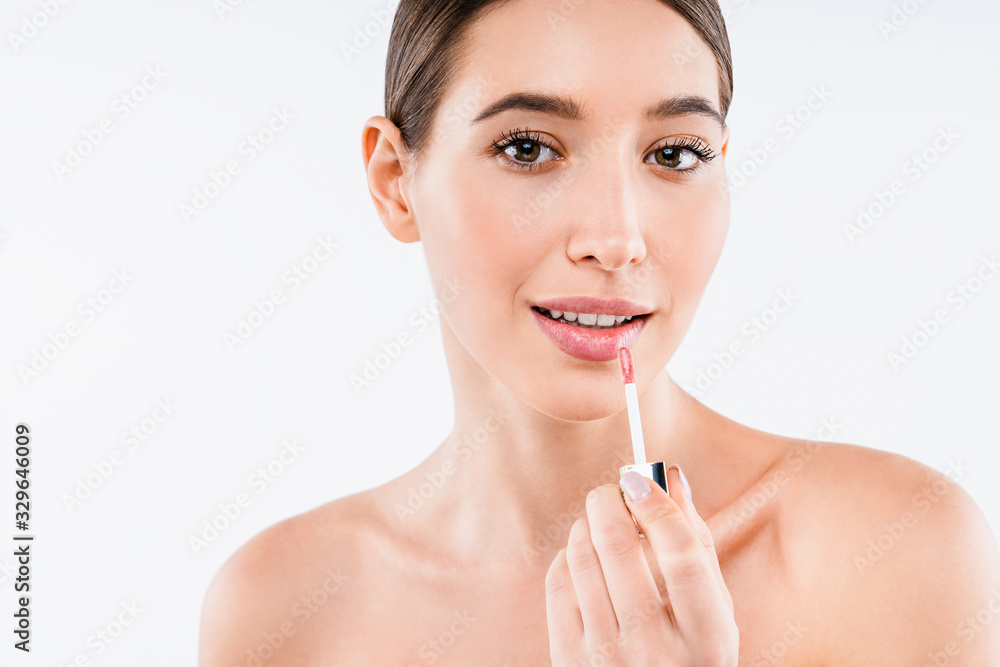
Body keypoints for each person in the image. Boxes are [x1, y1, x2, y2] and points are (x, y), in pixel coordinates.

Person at [199, 0, 1000, 663]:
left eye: (675, 154)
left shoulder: (898, 553)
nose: (617, 238)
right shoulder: (283, 609)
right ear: (394, 181)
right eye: (527, 148)